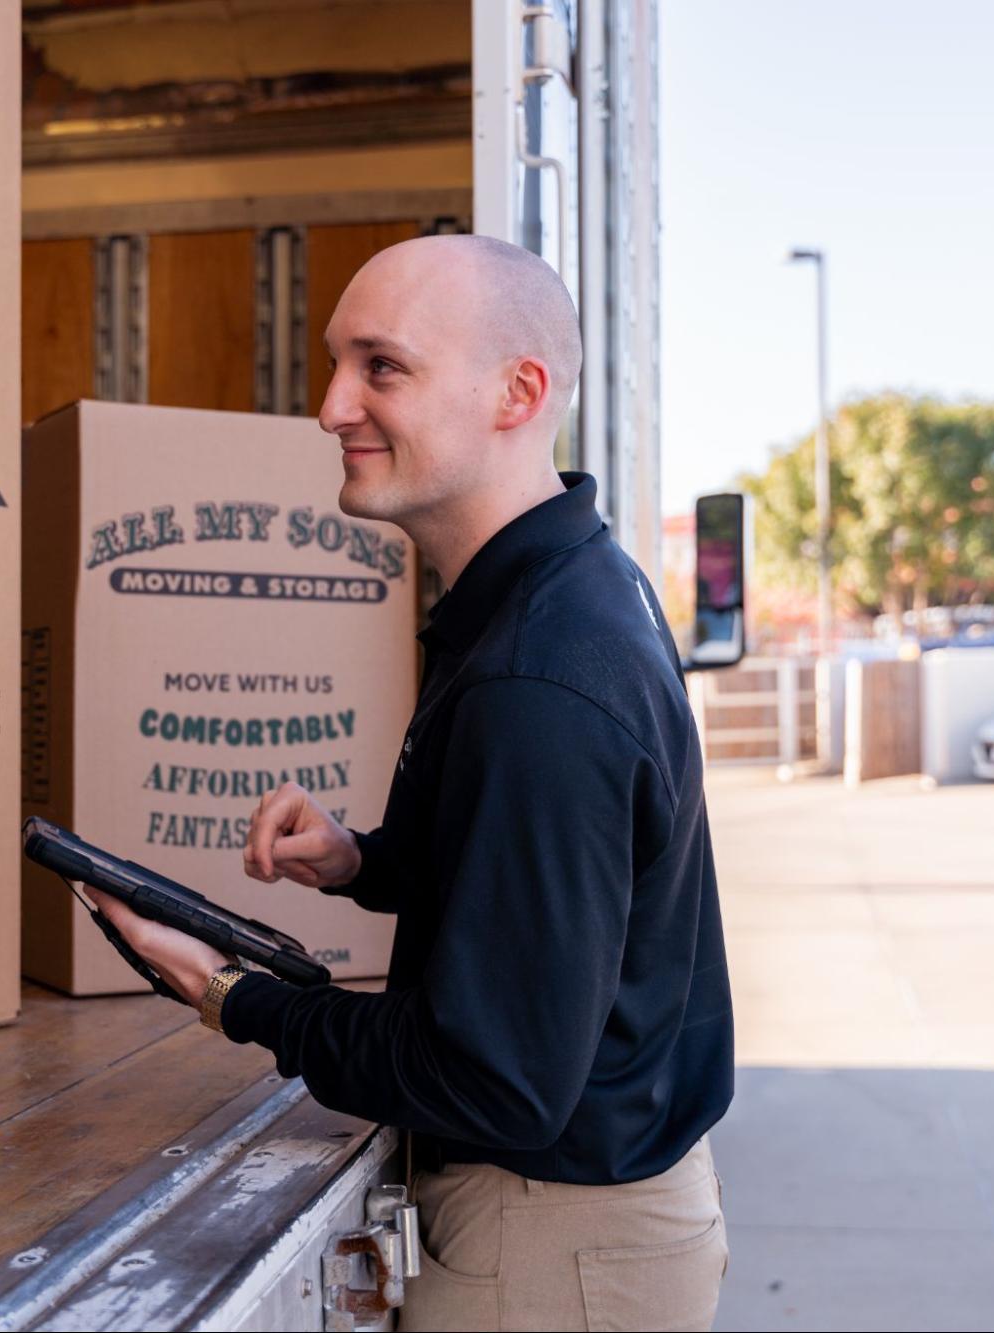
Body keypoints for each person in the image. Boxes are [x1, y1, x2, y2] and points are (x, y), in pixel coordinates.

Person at [76, 234, 734, 1331]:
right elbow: (553, 888)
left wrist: (232, 993)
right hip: (578, 1224)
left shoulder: (538, 672)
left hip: (551, 1244)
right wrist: (366, 861)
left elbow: (493, 1078)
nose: (331, 405)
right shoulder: (558, 589)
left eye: (381, 367)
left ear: (515, 392)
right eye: (335, 362)